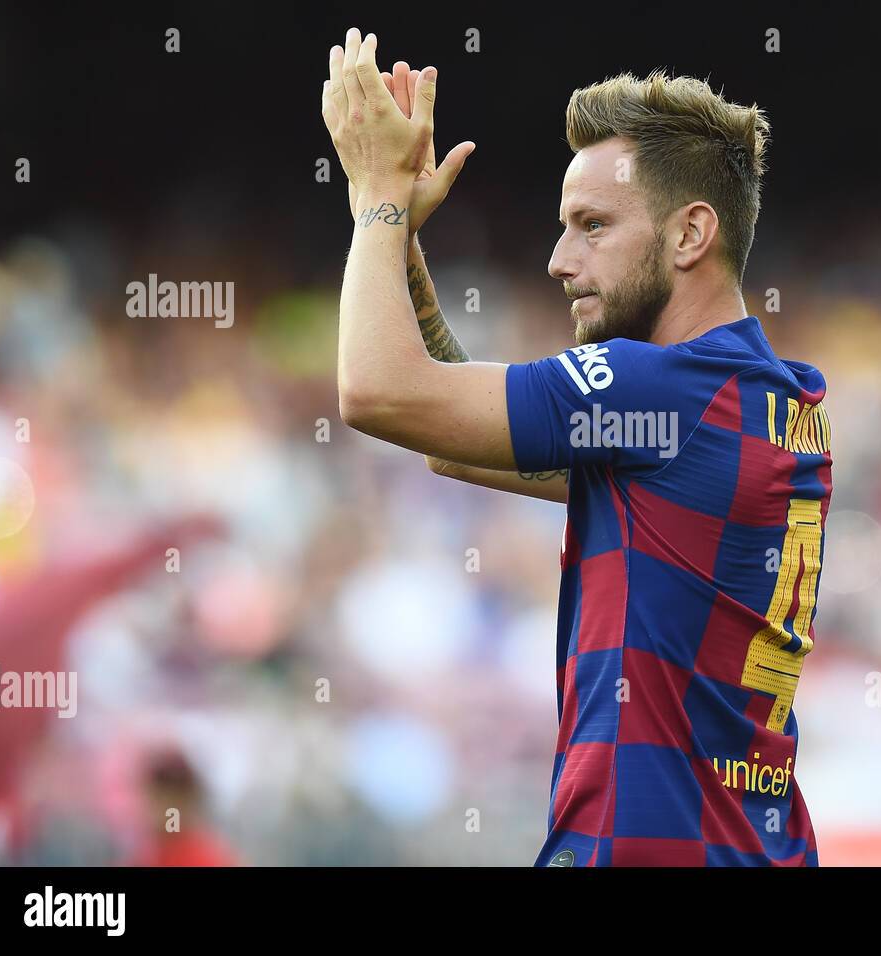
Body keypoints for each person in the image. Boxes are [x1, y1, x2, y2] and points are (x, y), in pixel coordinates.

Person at [322, 28, 832, 865]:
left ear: (689, 235)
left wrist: (376, 195)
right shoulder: (776, 400)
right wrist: (404, 245)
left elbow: (378, 391)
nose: (560, 260)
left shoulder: (659, 392)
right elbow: (454, 441)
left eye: (592, 225)